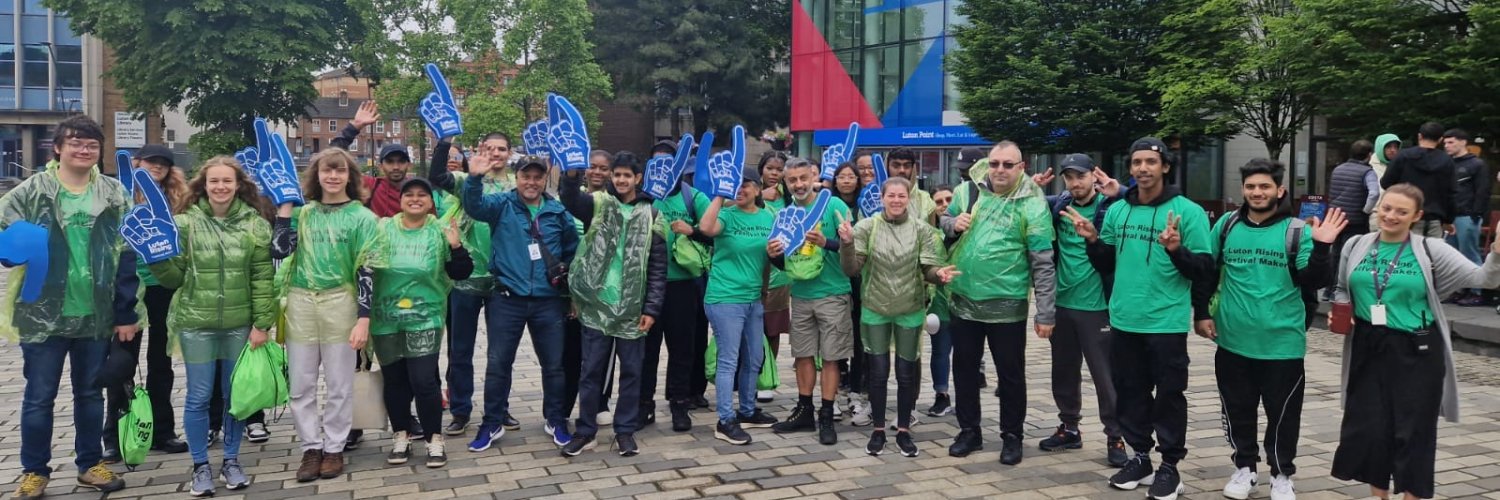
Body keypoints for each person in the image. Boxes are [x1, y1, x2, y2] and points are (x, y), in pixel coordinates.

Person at [1331, 183, 1500, 500]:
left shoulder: (1431, 249)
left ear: (1416, 216)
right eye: (1386, 207)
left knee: (1413, 429)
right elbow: (1341, 286)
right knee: (1370, 427)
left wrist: (1497, 254)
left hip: (1416, 348)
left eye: (1401, 212)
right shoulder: (1356, 244)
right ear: (1378, 207)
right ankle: (1377, 495)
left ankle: (1412, 495)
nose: (1391, 216)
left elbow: (1484, 279)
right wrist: (1343, 309)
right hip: (1368, 345)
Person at [1069, 137, 1214, 500]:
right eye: (1136, 163)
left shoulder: (1188, 212)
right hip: (1124, 320)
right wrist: (1091, 241)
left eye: (1151, 162)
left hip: (1165, 323)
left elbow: (1204, 270)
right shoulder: (1119, 210)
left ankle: (1170, 466)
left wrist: (1176, 250)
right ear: (1130, 169)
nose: (1143, 169)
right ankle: (1140, 457)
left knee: (1168, 396)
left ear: (1165, 166)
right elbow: (1107, 263)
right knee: (1130, 393)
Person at [2, 115, 135, 498]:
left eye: (91, 144)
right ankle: (34, 471)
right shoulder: (32, 190)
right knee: (39, 396)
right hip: (42, 312)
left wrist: (126, 313)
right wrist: (11, 253)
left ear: (99, 151)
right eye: (75, 142)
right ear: (58, 147)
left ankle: (89, 464)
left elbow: (127, 254)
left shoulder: (112, 193)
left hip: (95, 312)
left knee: (90, 394)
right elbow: (3, 230)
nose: (83, 149)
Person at [1199, 159, 1342, 500]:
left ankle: (1281, 473)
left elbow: (1314, 280)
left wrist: (1322, 246)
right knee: (1237, 411)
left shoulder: (1298, 231)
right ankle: (1245, 469)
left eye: (1264, 187)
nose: (1257, 192)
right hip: (1233, 340)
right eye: (1251, 186)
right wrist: (1201, 312)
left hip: (1283, 343)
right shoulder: (1226, 225)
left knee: (1283, 416)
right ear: (1243, 190)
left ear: (1279, 191)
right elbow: (1207, 270)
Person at [148, 156, 275, 496]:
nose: (220, 187)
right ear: (203, 185)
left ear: (238, 186)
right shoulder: (185, 223)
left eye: (227, 181)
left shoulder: (255, 224)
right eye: (214, 181)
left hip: (239, 326)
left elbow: (263, 278)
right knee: (199, 397)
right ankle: (200, 466)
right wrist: (156, 260)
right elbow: (174, 277)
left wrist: (263, 322)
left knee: (236, 398)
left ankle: (231, 461)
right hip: (197, 324)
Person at [938, 141, 1057, 466]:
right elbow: (943, 222)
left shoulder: (1031, 203)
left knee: (1011, 374)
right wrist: (952, 223)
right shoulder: (968, 192)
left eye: (1008, 164)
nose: (1000, 170)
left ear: (1021, 168)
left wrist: (1045, 312)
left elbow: (1043, 262)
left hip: (1008, 304)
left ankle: (1012, 435)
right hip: (964, 300)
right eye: (995, 164)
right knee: (964, 370)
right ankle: (969, 430)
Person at [272, 148, 382, 482]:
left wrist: (364, 317)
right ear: (315, 176)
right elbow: (278, 250)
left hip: (341, 302)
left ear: (350, 176)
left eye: (340, 171)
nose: (332, 177)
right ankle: (310, 447)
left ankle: (334, 448)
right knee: (301, 384)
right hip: (302, 301)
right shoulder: (304, 214)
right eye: (326, 171)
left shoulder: (364, 218)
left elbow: (367, 267)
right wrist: (285, 208)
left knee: (339, 383)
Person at [461, 153, 580, 452]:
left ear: (544, 179)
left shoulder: (557, 212)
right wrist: (474, 178)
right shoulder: (501, 204)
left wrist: (568, 291)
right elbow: (473, 207)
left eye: (537, 177)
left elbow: (572, 251)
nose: (531, 182)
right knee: (498, 364)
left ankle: (555, 419)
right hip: (506, 298)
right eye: (526, 176)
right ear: (517, 178)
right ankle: (491, 422)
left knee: (553, 365)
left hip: (548, 301)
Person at [558, 151, 667, 456]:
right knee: (591, 371)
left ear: (638, 178)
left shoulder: (653, 215)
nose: (620, 180)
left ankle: (625, 431)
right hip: (596, 305)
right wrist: (570, 174)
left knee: (632, 372)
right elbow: (569, 198)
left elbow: (658, 268)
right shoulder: (597, 204)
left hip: (634, 310)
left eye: (626, 175)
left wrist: (651, 309)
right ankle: (585, 430)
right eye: (616, 175)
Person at [839, 177, 957, 457]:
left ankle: (903, 430)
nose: (895, 200)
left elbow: (927, 268)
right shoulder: (867, 226)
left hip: (910, 309)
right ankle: (878, 430)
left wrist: (938, 276)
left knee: (906, 374)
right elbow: (851, 269)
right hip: (875, 308)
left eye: (901, 196)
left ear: (908, 199)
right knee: (878, 374)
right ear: (882, 198)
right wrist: (846, 243)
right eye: (890, 195)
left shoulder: (920, 229)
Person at [372, 177, 474, 469]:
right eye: (409, 195)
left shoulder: (439, 231)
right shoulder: (382, 229)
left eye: (422, 195)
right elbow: (364, 265)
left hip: (425, 317)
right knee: (394, 381)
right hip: (386, 318)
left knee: (424, 380)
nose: (415, 199)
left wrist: (456, 247)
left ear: (431, 203)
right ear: (400, 200)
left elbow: (461, 272)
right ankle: (401, 435)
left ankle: (433, 439)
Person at [1035, 154, 1127, 467]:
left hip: (1098, 306)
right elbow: (1020, 204)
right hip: (1062, 305)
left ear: (1093, 177)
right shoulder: (1057, 205)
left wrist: (1122, 191)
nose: (1075, 183)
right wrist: (1030, 189)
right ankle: (1069, 427)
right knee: (1063, 371)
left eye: (1081, 176)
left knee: (1105, 376)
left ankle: (1115, 435)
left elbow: (1145, 202)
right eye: (1069, 177)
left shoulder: (1112, 206)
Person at [427, 132, 520, 437]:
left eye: (501, 149)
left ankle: (499, 407)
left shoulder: (518, 187)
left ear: (510, 153)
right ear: (480, 150)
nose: (495, 153)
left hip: (502, 279)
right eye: (489, 148)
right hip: (466, 278)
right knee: (460, 349)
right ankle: (460, 409)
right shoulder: (465, 180)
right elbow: (436, 175)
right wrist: (443, 142)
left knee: (501, 351)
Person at [103, 144, 191, 464]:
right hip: (128, 289)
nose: (157, 168)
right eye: (151, 162)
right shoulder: (119, 194)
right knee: (121, 364)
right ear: (138, 162)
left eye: (163, 164)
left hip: (163, 287)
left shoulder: (177, 199)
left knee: (160, 362)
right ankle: (113, 435)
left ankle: (162, 431)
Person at [768, 157, 855, 446]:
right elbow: (785, 263)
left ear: (813, 176)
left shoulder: (834, 207)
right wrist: (773, 254)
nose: (799, 184)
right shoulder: (784, 214)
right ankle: (805, 409)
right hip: (801, 295)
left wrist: (826, 242)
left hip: (833, 292)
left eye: (803, 178)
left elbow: (853, 248)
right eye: (792, 180)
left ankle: (827, 414)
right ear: (786, 182)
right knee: (802, 355)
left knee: (831, 357)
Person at [698, 165, 781, 444]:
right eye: (735, 184)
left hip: (753, 298)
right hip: (724, 299)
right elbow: (706, 228)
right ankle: (725, 420)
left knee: (755, 357)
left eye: (746, 184)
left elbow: (776, 254)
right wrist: (721, 195)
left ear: (758, 189)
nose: (741, 189)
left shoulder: (768, 217)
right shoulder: (726, 215)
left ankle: (747, 410)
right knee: (729, 360)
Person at [646, 140, 712, 433]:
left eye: (667, 160)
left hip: (684, 285)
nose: (662, 166)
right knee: (646, 350)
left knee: (682, 349)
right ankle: (643, 406)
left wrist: (693, 230)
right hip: (647, 286)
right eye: (656, 161)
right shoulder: (643, 197)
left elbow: (715, 233)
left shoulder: (693, 197)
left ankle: (679, 404)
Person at [828, 161, 870, 426]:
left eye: (851, 176)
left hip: (862, 281)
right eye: (841, 176)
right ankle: (831, 393)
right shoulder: (827, 205)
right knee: (832, 337)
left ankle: (856, 392)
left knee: (858, 339)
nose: (846, 180)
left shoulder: (867, 206)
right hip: (834, 280)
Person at [1381, 123, 1457, 239]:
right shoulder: (1447, 161)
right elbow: (1451, 193)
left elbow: (1386, 183)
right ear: (1441, 139)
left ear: (1419, 136)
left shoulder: (1403, 156)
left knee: (1405, 252)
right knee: (1433, 254)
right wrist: (1448, 220)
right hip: (1435, 218)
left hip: (1406, 216)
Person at [757, 151, 791, 404]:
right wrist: (759, 196)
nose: (774, 173)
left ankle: (767, 377)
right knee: (752, 329)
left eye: (779, 169)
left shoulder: (791, 201)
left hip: (780, 276)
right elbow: (724, 206)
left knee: (772, 329)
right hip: (754, 272)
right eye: (770, 168)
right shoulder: (749, 193)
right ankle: (752, 374)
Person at [1442, 129, 1491, 306]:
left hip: (1467, 215)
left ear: (1463, 142)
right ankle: (1460, 289)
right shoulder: (1448, 164)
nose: (1447, 146)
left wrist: (1476, 214)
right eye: (1445, 143)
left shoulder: (1477, 165)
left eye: (1451, 142)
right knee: (1452, 256)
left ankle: (1476, 291)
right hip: (1450, 216)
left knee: (1470, 253)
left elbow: (1483, 191)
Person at [925, 185, 956, 418]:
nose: (944, 204)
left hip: (967, 299)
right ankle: (941, 395)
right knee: (940, 351)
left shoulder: (970, 229)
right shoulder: (928, 234)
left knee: (968, 354)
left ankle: (967, 395)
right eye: (939, 201)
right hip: (939, 301)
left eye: (948, 199)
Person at [1328, 140, 1380, 268]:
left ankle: (1331, 286)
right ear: (1369, 155)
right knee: (1352, 252)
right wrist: (1366, 211)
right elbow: (1374, 193)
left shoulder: (1338, 169)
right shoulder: (1367, 172)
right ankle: (1345, 283)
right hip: (1356, 220)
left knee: (1336, 252)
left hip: (1335, 217)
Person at [364, 144, 417, 218]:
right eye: (389, 162)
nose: (396, 167)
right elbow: (343, 161)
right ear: (381, 166)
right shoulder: (372, 185)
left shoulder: (419, 191)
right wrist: (350, 133)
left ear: (409, 165)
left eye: (401, 161)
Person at [886, 148, 938, 223]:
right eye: (896, 166)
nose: (902, 170)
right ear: (887, 167)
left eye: (907, 166)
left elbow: (933, 232)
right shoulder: (874, 198)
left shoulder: (925, 200)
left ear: (913, 169)